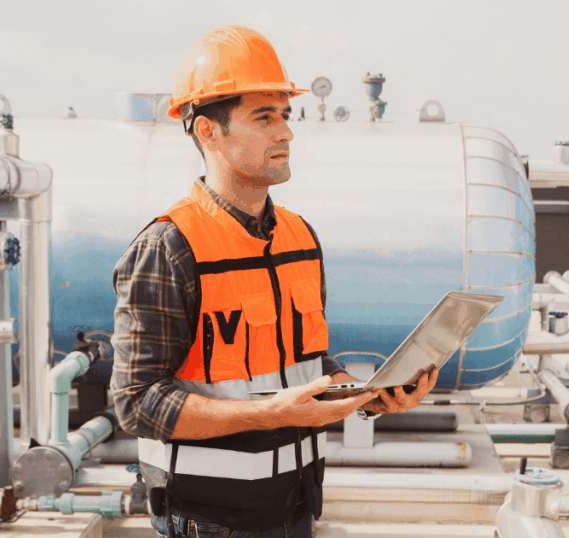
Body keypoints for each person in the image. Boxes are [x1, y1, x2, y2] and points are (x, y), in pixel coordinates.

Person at [110, 26, 438, 538]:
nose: (286, 132)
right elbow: (136, 403)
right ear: (207, 132)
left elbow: (303, 366)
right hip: (208, 518)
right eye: (264, 117)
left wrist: (369, 396)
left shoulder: (298, 236)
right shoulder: (169, 247)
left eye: (285, 115)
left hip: (296, 507)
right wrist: (267, 414)